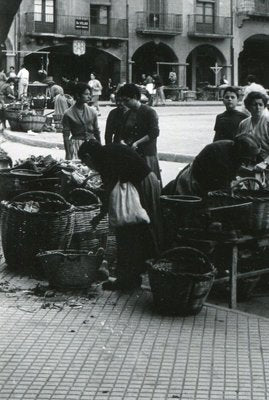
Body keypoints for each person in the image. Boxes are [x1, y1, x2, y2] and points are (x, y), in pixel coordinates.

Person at [78, 139, 163, 291]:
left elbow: (111, 192)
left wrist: (101, 215)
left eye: (85, 162)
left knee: (129, 232)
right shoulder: (108, 152)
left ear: (88, 156)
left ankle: (129, 279)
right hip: (146, 181)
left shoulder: (103, 159)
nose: (88, 167)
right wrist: (102, 214)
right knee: (140, 231)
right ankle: (135, 276)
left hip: (142, 185)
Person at [162, 134, 261, 197]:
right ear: (241, 153)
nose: (252, 161)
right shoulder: (222, 158)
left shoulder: (233, 149)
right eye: (249, 158)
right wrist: (232, 185)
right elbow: (219, 185)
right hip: (192, 181)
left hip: (204, 179)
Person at [118, 83, 162, 185]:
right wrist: (122, 141)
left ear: (135, 97)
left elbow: (154, 132)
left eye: (126, 100)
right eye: (123, 100)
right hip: (132, 154)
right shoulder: (127, 114)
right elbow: (122, 133)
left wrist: (137, 143)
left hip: (147, 154)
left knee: (147, 184)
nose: (124, 103)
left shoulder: (149, 112)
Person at [62, 82, 100, 160]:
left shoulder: (93, 112)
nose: (89, 97)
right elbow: (66, 135)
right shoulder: (68, 113)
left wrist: (100, 148)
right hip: (76, 145)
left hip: (91, 144)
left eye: (90, 94)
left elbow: (96, 131)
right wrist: (68, 154)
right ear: (78, 95)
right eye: (86, 94)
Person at [238, 91, 269, 161]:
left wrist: (265, 163)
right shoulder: (243, 123)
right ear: (248, 107)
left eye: (261, 104)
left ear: (264, 106)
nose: (258, 108)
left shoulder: (267, 122)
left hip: (266, 161)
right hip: (248, 161)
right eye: (254, 104)